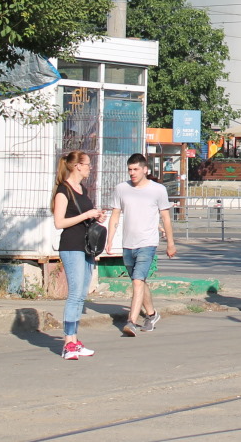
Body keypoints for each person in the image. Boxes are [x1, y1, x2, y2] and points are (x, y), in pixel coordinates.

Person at [105, 154, 176, 337]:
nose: (132, 173)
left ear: (145, 169)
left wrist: (170, 243)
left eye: (136, 169)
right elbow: (115, 214)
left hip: (148, 242)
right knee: (139, 281)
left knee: (137, 281)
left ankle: (131, 322)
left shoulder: (158, 190)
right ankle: (151, 314)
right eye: (130, 169)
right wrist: (110, 239)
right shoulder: (121, 188)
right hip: (128, 243)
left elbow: (166, 218)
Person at [51, 150, 104, 361]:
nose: (89, 168)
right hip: (71, 246)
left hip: (86, 246)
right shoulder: (63, 191)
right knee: (74, 295)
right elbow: (59, 222)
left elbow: (84, 218)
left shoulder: (82, 189)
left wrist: (96, 216)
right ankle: (68, 343)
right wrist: (86, 215)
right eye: (87, 164)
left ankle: (74, 339)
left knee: (82, 294)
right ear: (76, 166)